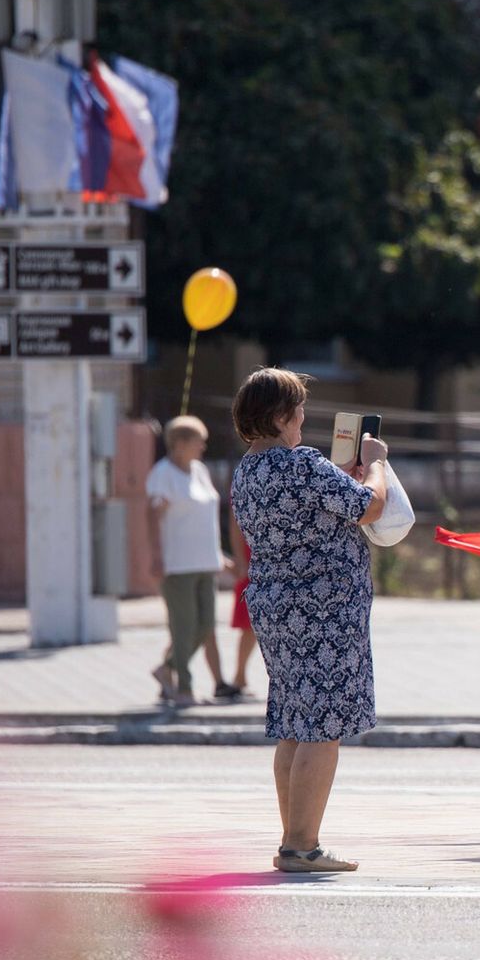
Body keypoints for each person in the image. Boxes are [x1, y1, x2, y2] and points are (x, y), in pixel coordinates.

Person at [229, 367, 389, 874]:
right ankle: (303, 847)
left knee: (295, 725)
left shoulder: (246, 472)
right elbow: (368, 507)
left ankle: (293, 840)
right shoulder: (302, 464)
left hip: (275, 606)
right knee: (322, 728)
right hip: (324, 610)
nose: (303, 417)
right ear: (279, 416)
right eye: (297, 408)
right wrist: (376, 465)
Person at [146, 416, 235, 707]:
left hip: (205, 562)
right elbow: (152, 517)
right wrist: (157, 556)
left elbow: (204, 517)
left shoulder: (199, 471)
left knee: (205, 624)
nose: (204, 446)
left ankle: (166, 668)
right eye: (199, 440)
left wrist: (219, 555)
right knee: (183, 628)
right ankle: (184, 687)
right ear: (180, 443)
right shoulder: (163, 474)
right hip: (177, 564)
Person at [227, 505, 257, 696]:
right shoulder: (244, 477)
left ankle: (240, 676)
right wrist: (240, 558)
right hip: (251, 557)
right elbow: (234, 521)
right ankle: (239, 676)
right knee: (249, 622)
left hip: (267, 553)